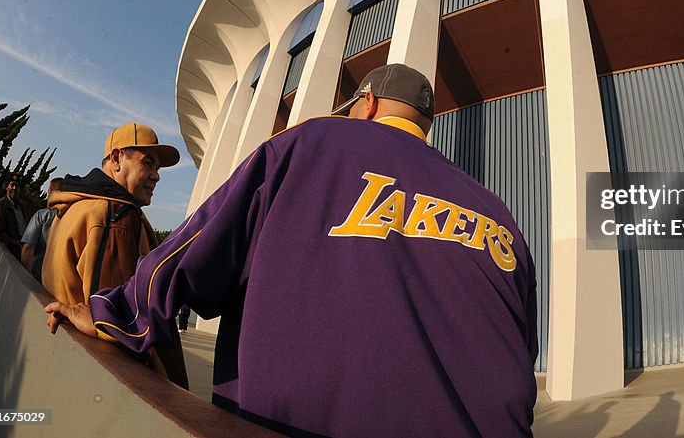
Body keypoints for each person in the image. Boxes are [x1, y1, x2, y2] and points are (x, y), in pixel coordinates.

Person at [48, 64, 538, 438]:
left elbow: (200, 244)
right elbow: (522, 351)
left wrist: (118, 313)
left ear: (366, 103)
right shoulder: (496, 212)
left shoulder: (310, 143)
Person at [41, 123, 189, 390]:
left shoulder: (78, 204)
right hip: (111, 384)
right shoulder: (116, 216)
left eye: (158, 168)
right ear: (117, 158)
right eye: (148, 163)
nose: (156, 176)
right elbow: (115, 320)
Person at [21, 177, 64, 281]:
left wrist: (24, 273)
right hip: (57, 282)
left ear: (50, 192)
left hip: (37, 275)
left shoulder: (42, 215)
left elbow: (28, 247)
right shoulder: (72, 218)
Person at [0, 176, 29, 258]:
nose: (14, 188)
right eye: (12, 185)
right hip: (10, 251)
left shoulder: (23, 206)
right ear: (7, 187)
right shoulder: (1, 205)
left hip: (24, 248)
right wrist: (15, 242)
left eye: (17, 186)